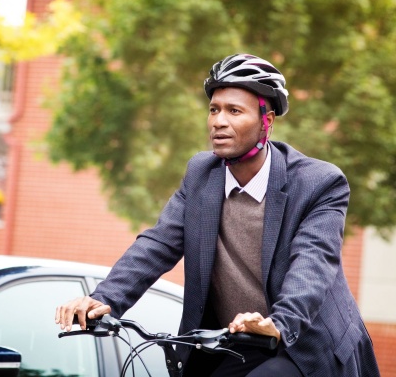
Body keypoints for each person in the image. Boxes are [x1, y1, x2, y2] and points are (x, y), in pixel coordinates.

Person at [55, 54, 380, 376]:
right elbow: (157, 244)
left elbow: (312, 266)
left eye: (234, 111)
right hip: (236, 346)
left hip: (304, 348)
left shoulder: (318, 183)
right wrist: (103, 299)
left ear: (266, 122)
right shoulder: (201, 174)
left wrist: (278, 324)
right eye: (214, 109)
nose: (218, 121)